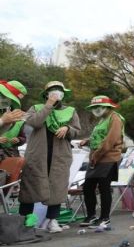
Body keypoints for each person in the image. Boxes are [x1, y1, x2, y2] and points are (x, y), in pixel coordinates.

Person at [18, 81, 81, 233]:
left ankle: (52, 220)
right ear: (46, 94)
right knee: (30, 186)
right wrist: (49, 105)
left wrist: (68, 128)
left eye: (59, 91)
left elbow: (77, 130)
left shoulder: (70, 111)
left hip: (59, 155)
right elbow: (35, 122)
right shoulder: (36, 108)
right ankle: (24, 220)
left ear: (63, 94)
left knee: (57, 186)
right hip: (37, 155)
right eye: (52, 91)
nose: (56, 93)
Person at [78, 96, 124, 227]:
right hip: (96, 158)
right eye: (94, 108)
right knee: (88, 187)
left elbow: (111, 140)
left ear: (108, 107)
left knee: (104, 188)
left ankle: (104, 217)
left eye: (99, 107)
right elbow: (98, 136)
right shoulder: (102, 119)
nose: (96, 110)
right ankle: (91, 215)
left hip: (108, 157)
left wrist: (97, 154)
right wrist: (87, 140)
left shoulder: (115, 118)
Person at [0, 80, 28, 161]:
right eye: (4, 96)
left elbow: (23, 137)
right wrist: (3, 120)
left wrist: (7, 123)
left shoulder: (5, 112)